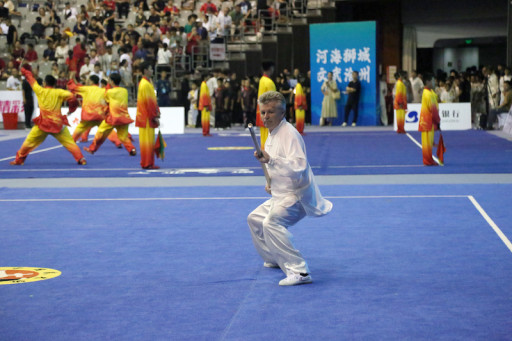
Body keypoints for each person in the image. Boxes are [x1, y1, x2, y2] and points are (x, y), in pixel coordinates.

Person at [247, 91, 332, 286]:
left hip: (297, 196)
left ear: (282, 113)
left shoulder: (290, 134)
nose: (265, 116)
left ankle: (299, 271)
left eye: (270, 112)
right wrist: (271, 182)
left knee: (271, 223)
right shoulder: (271, 133)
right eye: (263, 112)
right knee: (254, 218)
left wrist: (271, 160)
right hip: (281, 194)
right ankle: (275, 256)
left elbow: (299, 167)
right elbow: (277, 167)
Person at [10, 67, 86, 166]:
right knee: (70, 143)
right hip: (58, 124)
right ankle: (81, 159)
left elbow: (30, 79)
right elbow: (73, 98)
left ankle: (19, 160)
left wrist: (24, 71)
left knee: (28, 142)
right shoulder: (59, 92)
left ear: (44, 83)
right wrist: (71, 109)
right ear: (55, 84)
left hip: (43, 125)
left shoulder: (40, 90)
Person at [83, 73, 136, 155]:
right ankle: (132, 149)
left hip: (112, 117)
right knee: (123, 136)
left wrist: (107, 83)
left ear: (111, 81)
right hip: (124, 117)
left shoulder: (109, 92)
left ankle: (92, 149)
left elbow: (106, 100)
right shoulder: (124, 91)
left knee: (100, 132)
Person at [67, 75, 107, 142]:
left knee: (82, 126)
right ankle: (117, 141)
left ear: (91, 81)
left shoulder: (86, 89)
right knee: (107, 128)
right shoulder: (103, 90)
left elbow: (74, 88)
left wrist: (71, 79)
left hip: (88, 114)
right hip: (99, 114)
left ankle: (73, 140)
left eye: (88, 80)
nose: (87, 81)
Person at [136, 62, 160, 169]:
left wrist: (157, 111)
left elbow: (153, 100)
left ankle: (148, 162)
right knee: (147, 141)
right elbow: (148, 102)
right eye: (150, 68)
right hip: (146, 117)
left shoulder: (148, 82)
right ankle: (146, 163)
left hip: (147, 115)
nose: (152, 70)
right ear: (145, 70)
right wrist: (154, 116)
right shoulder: (145, 84)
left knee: (149, 141)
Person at [419, 73, 441, 166]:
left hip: (426, 120)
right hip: (428, 121)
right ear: (428, 81)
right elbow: (433, 110)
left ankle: (428, 159)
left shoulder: (429, 92)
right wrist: (438, 121)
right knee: (427, 142)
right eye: (432, 80)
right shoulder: (428, 94)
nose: (434, 82)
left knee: (427, 142)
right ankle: (428, 160)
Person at [257, 61, 276, 147]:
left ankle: (264, 156)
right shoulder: (269, 82)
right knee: (269, 137)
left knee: (264, 137)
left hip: (262, 111)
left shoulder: (262, 80)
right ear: (271, 69)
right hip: (268, 113)